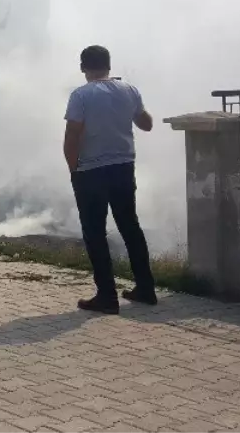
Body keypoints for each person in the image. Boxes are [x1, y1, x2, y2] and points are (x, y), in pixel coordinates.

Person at [63, 45, 157, 314]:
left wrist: (74, 171)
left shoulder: (81, 95)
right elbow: (147, 123)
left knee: (95, 232)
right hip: (124, 167)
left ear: (83, 67)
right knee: (131, 227)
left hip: (91, 171)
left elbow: (72, 136)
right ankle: (145, 288)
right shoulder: (129, 90)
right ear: (109, 65)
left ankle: (107, 296)